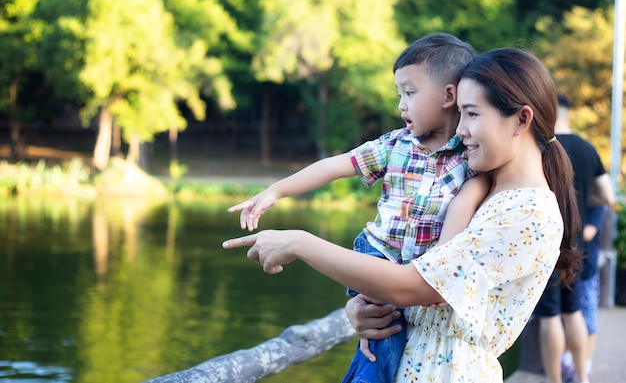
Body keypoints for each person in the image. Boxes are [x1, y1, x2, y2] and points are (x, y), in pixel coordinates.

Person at [223, 47, 582, 383]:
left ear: (521, 119)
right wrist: (361, 309)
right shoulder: (480, 192)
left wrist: (299, 242)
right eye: (460, 114)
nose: (459, 130)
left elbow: (416, 287)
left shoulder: (527, 214)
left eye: (472, 114)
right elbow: (418, 290)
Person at [537, 93, 615, 383]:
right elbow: (606, 195)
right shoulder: (586, 147)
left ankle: (555, 380)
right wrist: (582, 203)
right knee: (573, 312)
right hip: (576, 244)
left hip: (548, 242)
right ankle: (582, 377)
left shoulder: (544, 147)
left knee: (549, 317)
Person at [561, 204, 609, 382]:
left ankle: (585, 365)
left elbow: (588, 233)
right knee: (569, 316)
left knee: (587, 320)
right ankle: (567, 361)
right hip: (572, 269)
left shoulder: (598, 206)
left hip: (587, 271)